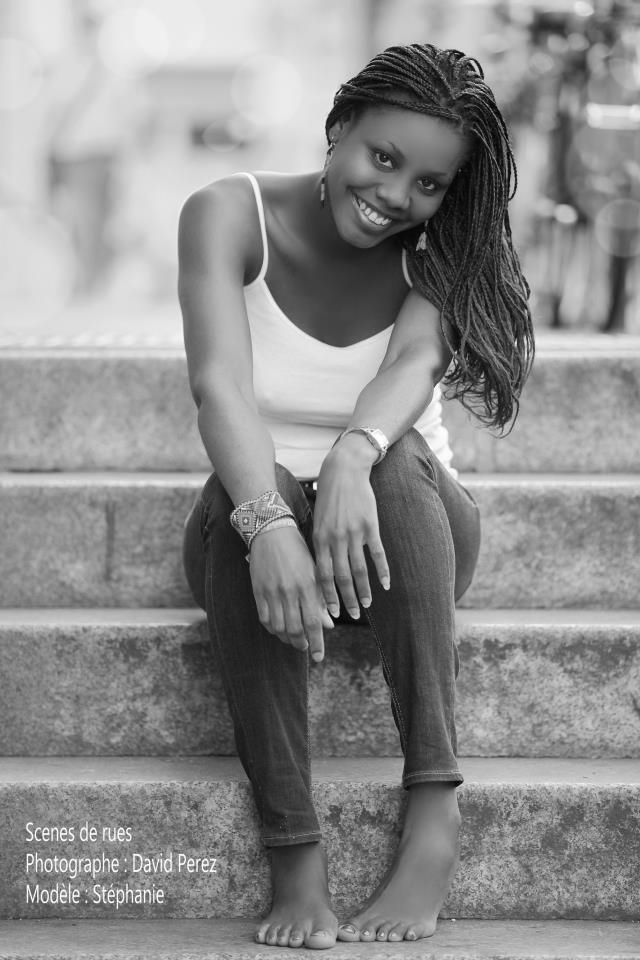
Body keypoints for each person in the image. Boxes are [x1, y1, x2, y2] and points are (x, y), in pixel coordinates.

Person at [179, 42, 534, 949]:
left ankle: (434, 818)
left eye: (428, 183)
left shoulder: (440, 250)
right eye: (382, 157)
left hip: (407, 535)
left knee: (391, 455)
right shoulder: (229, 213)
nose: (396, 196)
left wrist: (349, 458)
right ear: (338, 129)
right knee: (241, 490)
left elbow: (413, 364)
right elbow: (220, 388)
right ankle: (296, 858)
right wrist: (268, 523)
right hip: (258, 533)